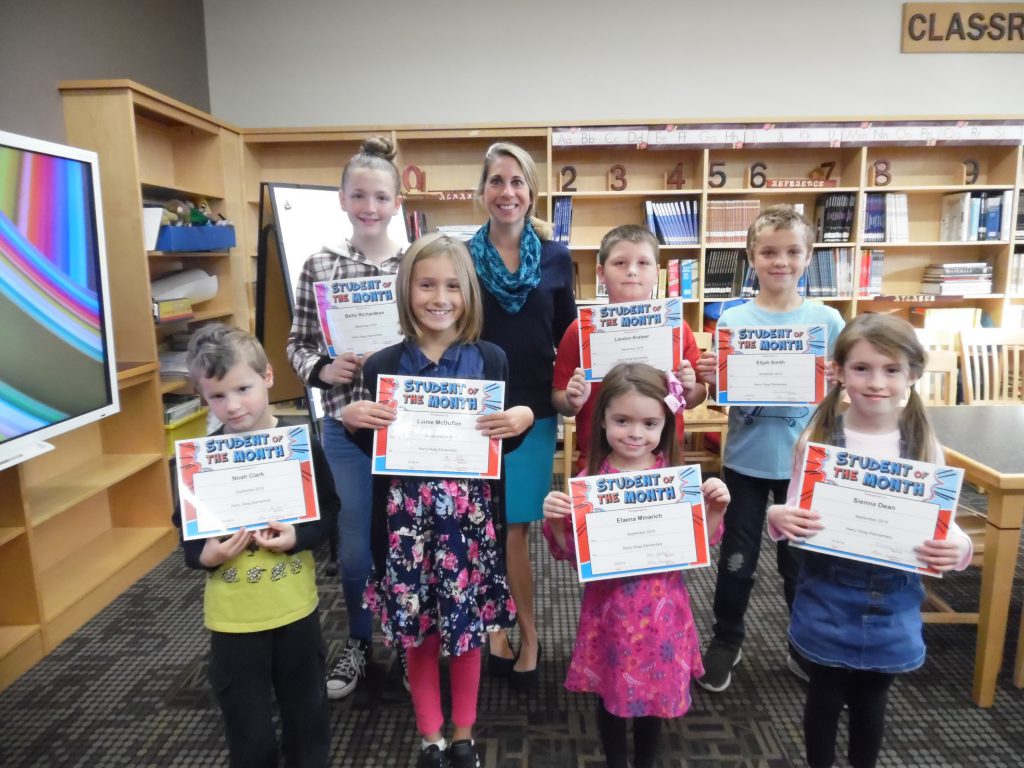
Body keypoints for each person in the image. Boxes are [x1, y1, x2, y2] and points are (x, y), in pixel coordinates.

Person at [341, 233, 533, 768]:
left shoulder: (489, 359)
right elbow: (374, 445)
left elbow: (501, 437)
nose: (439, 297)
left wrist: (520, 420)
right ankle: (431, 739)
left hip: (468, 528)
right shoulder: (382, 365)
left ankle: (465, 735)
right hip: (405, 529)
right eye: (426, 284)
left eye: (452, 285)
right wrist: (349, 418)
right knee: (419, 636)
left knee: (467, 632)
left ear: (469, 293)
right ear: (407, 291)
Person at [766, 313, 972, 768]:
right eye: (861, 368)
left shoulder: (923, 445)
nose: (876, 382)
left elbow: (944, 524)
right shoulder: (817, 440)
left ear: (912, 375)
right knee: (824, 694)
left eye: (891, 369)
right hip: (827, 596)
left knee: (871, 701)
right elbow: (791, 513)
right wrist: (777, 517)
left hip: (893, 602)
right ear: (838, 372)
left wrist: (959, 548)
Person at [541, 362, 729, 768]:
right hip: (610, 615)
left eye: (649, 423)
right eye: (622, 420)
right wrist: (557, 523)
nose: (635, 433)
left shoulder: (674, 479)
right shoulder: (592, 480)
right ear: (602, 418)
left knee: (654, 703)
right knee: (612, 698)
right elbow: (575, 558)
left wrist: (714, 508)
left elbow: (702, 544)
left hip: (664, 617)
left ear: (665, 424)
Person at [694, 204, 846, 692]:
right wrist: (714, 377)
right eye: (769, 252)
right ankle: (727, 637)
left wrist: (838, 380)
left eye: (793, 251)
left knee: (799, 560)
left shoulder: (827, 320)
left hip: (805, 463)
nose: (780, 261)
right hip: (745, 461)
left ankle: (804, 643)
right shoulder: (733, 320)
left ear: (809, 256)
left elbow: (844, 388)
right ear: (751, 257)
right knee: (737, 558)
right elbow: (723, 391)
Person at [174, 323, 340, 768]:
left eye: (243, 388)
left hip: (294, 609)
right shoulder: (197, 462)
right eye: (216, 396)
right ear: (202, 396)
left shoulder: (301, 447)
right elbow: (188, 537)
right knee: (247, 727)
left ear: (268, 377)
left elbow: (328, 514)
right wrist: (206, 555)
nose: (232, 406)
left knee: (307, 716)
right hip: (233, 620)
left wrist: (298, 537)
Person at [286, 136, 406, 699]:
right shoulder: (320, 264)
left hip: (408, 429)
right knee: (356, 545)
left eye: (381, 196)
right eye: (358, 194)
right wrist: (322, 369)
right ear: (341, 197)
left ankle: (408, 643)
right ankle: (360, 641)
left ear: (397, 202)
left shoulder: (415, 264)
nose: (369, 206)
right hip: (344, 426)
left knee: (407, 537)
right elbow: (298, 344)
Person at [468, 142, 576, 686]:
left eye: (517, 182)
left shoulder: (555, 258)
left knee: (515, 530)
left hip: (532, 412)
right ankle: (493, 630)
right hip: (475, 416)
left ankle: (529, 632)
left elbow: (569, 340)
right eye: (496, 181)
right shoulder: (461, 258)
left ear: (532, 193)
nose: (506, 192)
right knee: (476, 527)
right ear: (482, 191)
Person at [552, 224, 707, 471]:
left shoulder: (677, 329)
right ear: (601, 272)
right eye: (620, 263)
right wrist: (572, 400)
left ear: (657, 272)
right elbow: (559, 398)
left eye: (643, 263)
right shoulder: (580, 331)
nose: (632, 271)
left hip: (663, 456)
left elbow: (698, 394)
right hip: (598, 457)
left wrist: (689, 390)